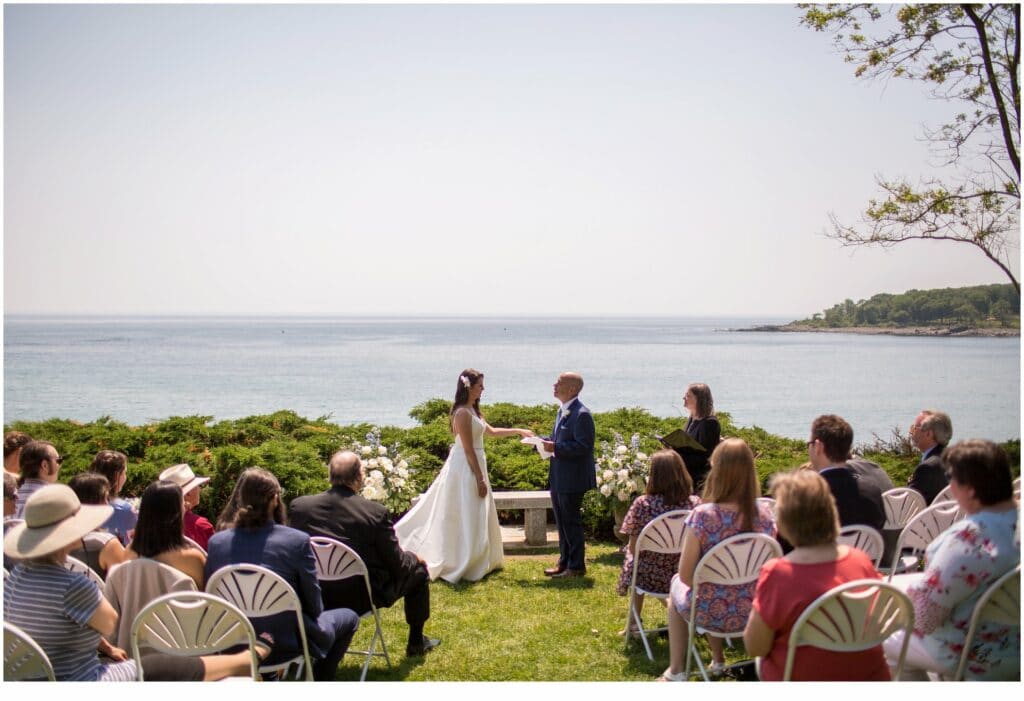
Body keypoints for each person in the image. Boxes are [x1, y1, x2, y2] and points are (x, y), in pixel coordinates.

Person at [3, 484, 261, 681]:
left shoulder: (15, 577)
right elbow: (108, 622)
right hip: (79, 680)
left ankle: (240, 662)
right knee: (155, 667)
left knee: (152, 663)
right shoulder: (71, 585)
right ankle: (241, 662)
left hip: (32, 678)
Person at [206, 468, 360, 681]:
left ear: (240, 498)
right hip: (286, 643)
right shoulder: (296, 541)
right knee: (350, 617)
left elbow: (213, 602)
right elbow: (314, 607)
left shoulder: (217, 542)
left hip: (232, 644)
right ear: (275, 499)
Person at [883, 439, 1020, 680]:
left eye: (952, 480)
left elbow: (925, 619)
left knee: (888, 639)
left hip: (974, 651)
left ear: (970, 489)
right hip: (1016, 646)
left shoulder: (968, 539)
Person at [743, 469, 890, 681]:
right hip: (869, 676)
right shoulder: (861, 561)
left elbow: (755, 646)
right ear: (831, 512)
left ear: (784, 521)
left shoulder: (779, 574)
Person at [290, 450, 438, 657]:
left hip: (315, 592)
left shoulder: (301, 507)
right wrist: (414, 558)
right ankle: (416, 643)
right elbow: (399, 565)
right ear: (359, 478)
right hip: (361, 596)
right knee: (419, 573)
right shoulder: (374, 513)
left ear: (330, 476)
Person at [396, 369, 533, 583]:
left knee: (474, 510)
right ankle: (461, 559)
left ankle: (478, 557)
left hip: (476, 462)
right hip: (465, 468)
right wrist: (479, 478)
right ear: (469, 387)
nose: (483, 389)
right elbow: (468, 450)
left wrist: (518, 431)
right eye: (480, 386)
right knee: (464, 508)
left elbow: (492, 432)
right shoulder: (461, 413)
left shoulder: (473, 410)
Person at [661, 438, 776, 681]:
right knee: (711, 583)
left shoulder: (703, 517)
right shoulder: (766, 516)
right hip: (755, 610)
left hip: (709, 612)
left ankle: (676, 671)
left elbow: (686, 575)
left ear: (717, 471)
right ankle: (717, 658)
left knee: (677, 587)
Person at [616, 449, 700, 636]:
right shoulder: (694, 504)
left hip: (650, 576)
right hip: (684, 572)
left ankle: (637, 622)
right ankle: (636, 621)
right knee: (637, 563)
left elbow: (634, 548)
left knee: (634, 562)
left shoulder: (643, 504)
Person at [540, 371, 596, 578]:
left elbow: (583, 446)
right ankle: (564, 561)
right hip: (559, 476)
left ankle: (576, 566)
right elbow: (559, 440)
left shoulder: (582, 414)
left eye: (559, 383)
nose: (554, 385)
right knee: (561, 522)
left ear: (572, 389)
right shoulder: (562, 411)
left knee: (571, 522)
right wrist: (540, 441)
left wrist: (555, 446)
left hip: (573, 478)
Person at [807, 415, 885, 532]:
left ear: (818, 447)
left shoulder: (806, 496)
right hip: (864, 550)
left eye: (809, 444)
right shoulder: (872, 491)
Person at [124, 480, 207, 588]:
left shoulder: (129, 553)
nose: (186, 506)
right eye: (183, 503)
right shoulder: (193, 558)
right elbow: (209, 597)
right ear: (176, 513)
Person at [68, 472, 128, 579]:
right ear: (93, 502)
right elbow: (124, 587)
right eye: (104, 498)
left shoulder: (57, 543)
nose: (107, 504)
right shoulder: (107, 544)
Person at [674, 383, 721, 488]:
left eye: (688, 396)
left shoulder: (709, 423)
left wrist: (677, 454)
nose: (684, 398)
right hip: (687, 474)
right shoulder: (692, 419)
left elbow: (706, 457)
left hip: (699, 480)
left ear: (698, 399)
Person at [159, 463, 215, 550]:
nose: (200, 489)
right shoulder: (200, 525)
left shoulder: (154, 524)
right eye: (197, 486)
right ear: (188, 493)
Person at [89, 450, 137, 545]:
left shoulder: (81, 505)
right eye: (124, 473)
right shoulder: (125, 509)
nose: (125, 477)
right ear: (116, 476)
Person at [907, 410, 952, 504]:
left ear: (928, 434)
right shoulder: (954, 459)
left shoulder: (927, 468)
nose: (911, 432)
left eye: (914, 428)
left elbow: (907, 504)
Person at [15, 440, 62, 518]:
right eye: (59, 460)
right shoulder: (54, 499)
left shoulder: (11, 496)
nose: (60, 465)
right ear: (45, 465)